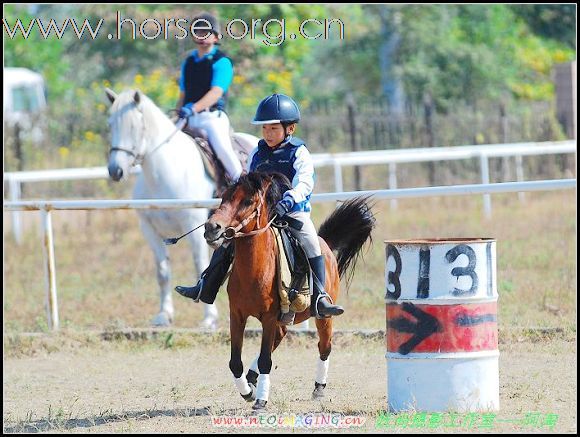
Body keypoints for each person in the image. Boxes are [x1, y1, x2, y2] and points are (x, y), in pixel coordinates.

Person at [175, 94, 344, 320]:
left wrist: (290, 199)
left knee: (311, 243)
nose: (268, 133)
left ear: (290, 128)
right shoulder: (257, 151)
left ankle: (320, 297)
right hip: (261, 214)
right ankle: (205, 285)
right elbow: (250, 182)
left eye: (274, 128)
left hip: (293, 212)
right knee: (227, 241)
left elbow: (304, 182)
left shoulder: (299, 152)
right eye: (265, 128)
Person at [176, 12, 243, 183]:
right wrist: (177, 113)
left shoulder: (222, 62)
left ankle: (240, 183)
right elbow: (183, 93)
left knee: (222, 149)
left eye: (206, 31)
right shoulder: (188, 61)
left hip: (211, 118)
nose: (201, 35)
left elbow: (216, 93)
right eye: (198, 31)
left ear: (216, 36)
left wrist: (193, 108)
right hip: (187, 116)